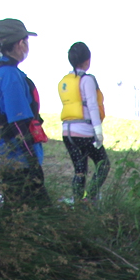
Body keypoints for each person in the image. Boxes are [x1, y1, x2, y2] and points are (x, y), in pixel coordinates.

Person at [0, 19, 48, 204]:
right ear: (20, 44)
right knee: (38, 211)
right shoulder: (11, 76)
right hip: (19, 162)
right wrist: (33, 163)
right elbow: (18, 122)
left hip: (4, 158)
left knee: (15, 211)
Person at [58, 41, 109, 202]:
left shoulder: (65, 81)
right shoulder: (87, 80)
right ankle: (90, 197)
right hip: (84, 133)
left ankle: (77, 202)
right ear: (88, 60)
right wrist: (98, 131)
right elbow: (92, 106)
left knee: (79, 170)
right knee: (103, 164)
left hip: (67, 133)